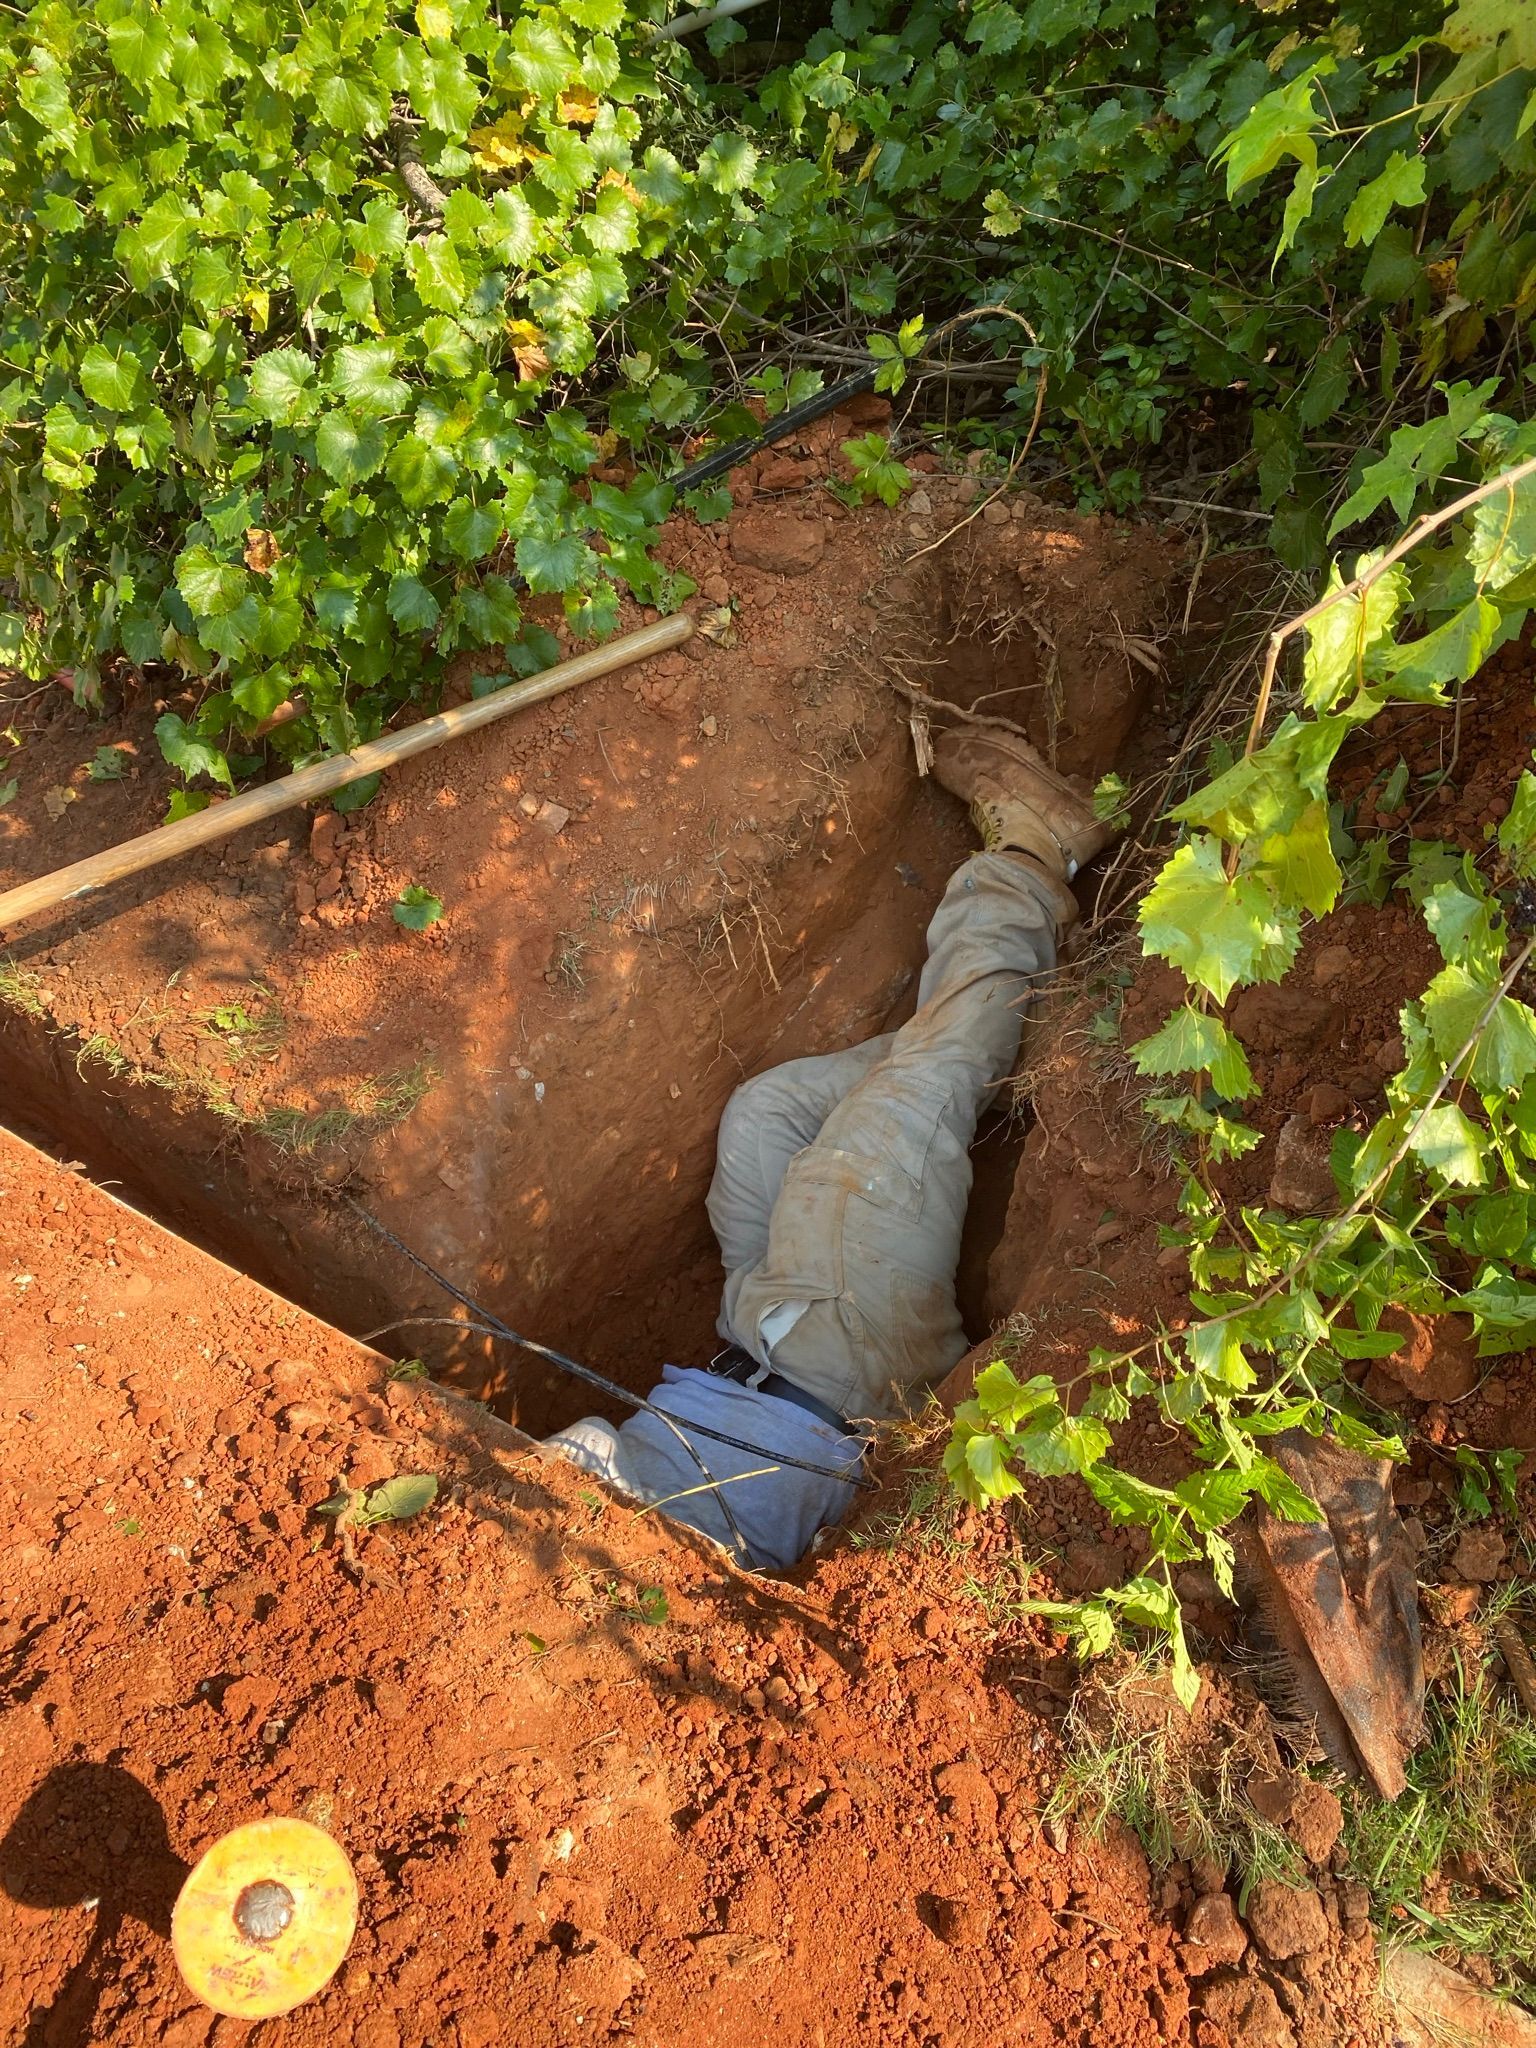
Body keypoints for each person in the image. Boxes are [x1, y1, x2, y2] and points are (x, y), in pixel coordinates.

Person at [543, 729, 1117, 1569]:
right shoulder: (626, 1584)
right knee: (912, 1094)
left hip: (756, 1334)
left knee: (764, 1116)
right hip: (841, 1360)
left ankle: (987, 1035)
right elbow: (584, 1446)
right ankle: (1037, 858)